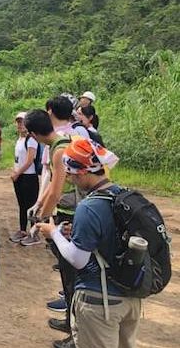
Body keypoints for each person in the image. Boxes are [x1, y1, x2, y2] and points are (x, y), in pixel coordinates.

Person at [36, 138, 134, 348]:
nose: (69, 179)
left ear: (82, 171)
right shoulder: (122, 195)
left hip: (101, 298)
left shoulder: (89, 206)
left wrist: (53, 233)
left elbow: (77, 259)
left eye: (69, 173)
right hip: (130, 296)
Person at [24, 108, 75, 348]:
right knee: (66, 272)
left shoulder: (59, 149)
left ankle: (75, 333)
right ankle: (69, 321)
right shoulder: (57, 145)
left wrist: (41, 220)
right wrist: (39, 205)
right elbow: (51, 187)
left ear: (34, 133)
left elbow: (56, 190)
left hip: (70, 214)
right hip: (65, 211)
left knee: (72, 273)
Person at [9, 112, 40, 243]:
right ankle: (22, 230)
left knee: (30, 206)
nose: (20, 125)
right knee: (22, 205)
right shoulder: (20, 139)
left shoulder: (31, 139)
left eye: (22, 122)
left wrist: (17, 172)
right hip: (20, 176)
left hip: (29, 177)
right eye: (18, 122)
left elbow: (29, 160)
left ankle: (34, 234)